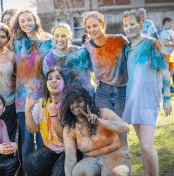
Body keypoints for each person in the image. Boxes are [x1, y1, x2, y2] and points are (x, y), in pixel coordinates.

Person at [122, 10, 172, 175]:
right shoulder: (127, 49)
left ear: (140, 25)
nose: (129, 28)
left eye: (132, 24)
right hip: (133, 99)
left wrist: (167, 98)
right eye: (126, 25)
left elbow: (165, 72)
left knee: (147, 146)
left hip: (150, 100)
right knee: (143, 147)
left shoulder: (152, 44)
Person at [11, 9, 53, 168]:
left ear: (35, 20)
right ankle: (27, 171)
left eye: (29, 20)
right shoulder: (17, 41)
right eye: (22, 21)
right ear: (18, 24)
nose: (26, 24)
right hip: (22, 98)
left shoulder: (48, 40)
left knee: (43, 138)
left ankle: (43, 170)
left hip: (43, 96)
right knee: (27, 139)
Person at [82, 11, 129, 150]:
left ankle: (124, 161)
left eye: (95, 25)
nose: (92, 30)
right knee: (104, 130)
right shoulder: (87, 46)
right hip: (103, 92)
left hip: (122, 91)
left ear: (103, 25)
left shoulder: (119, 40)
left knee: (121, 131)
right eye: (88, 27)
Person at [61, 85, 132, 176]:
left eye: (79, 101)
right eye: (71, 102)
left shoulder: (104, 113)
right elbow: (70, 159)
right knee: (77, 173)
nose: (75, 105)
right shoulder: (70, 128)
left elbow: (125, 128)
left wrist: (100, 122)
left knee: (112, 174)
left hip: (116, 155)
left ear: (87, 102)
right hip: (91, 160)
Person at [23, 68, 66, 176]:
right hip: (51, 148)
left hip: (70, 149)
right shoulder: (41, 103)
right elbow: (33, 129)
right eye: (50, 79)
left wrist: (54, 115)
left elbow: (63, 136)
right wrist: (27, 110)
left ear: (64, 82)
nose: (53, 81)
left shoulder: (69, 103)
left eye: (58, 78)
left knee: (58, 173)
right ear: (46, 84)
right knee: (30, 164)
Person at [43, 23, 95, 97]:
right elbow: (50, 85)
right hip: (64, 103)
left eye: (63, 36)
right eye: (57, 36)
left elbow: (98, 74)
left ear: (70, 37)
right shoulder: (48, 60)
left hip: (87, 99)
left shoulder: (81, 53)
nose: (60, 39)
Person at [160, 17, 174, 91]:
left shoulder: (170, 31)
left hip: (170, 54)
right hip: (165, 54)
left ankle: (168, 86)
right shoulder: (165, 32)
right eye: (171, 23)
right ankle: (163, 88)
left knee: (171, 70)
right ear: (167, 23)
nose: (172, 24)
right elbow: (165, 43)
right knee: (166, 72)